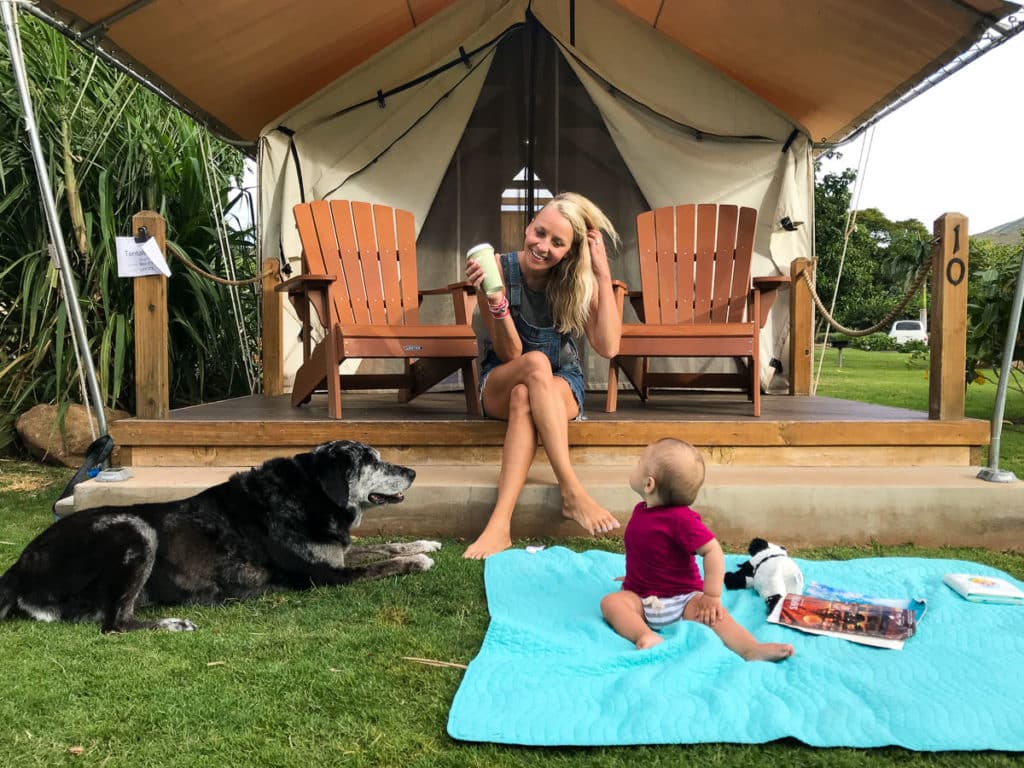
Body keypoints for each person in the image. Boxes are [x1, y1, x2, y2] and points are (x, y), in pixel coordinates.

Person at [463, 192, 622, 559]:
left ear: (571, 250)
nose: (543, 246)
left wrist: (601, 272)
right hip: (501, 378)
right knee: (532, 365)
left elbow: (609, 346)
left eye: (557, 242)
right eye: (539, 232)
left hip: (560, 385)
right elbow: (510, 354)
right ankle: (571, 489)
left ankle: (499, 525)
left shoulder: (577, 280)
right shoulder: (498, 269)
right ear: (529, 226)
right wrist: (493, 297)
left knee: (527, 397)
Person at [600, 437, 794, 661]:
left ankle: (750, 648)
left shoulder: (682, 520)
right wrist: (638, 574)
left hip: (683, 599)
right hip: (641, 597)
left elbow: (712, 551)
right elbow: (650, 551)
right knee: (612, 603)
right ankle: (645, 635)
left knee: (716, 617)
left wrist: (711, 595)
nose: (634, 467)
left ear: (649, 484)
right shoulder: (641, 510)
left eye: (639, 464)